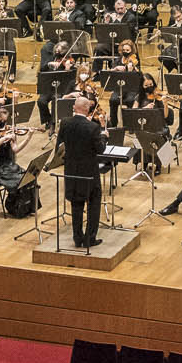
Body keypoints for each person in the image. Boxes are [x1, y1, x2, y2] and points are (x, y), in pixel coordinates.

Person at [58, 94, 109, 249]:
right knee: (93, 204)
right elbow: (100, 149)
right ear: (87, 109)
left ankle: (77, 237)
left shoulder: (65, 123)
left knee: (76, 204)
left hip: (71, 171)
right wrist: (104, 137)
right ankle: (90, 239)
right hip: (89, 172)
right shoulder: (92, 127)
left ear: (74, 107)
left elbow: (59, 145)